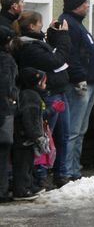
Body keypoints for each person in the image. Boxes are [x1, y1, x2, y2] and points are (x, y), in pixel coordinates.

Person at [12, 12, 72, 186]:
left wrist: (52, 33)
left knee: (63, 136)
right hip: (48, 94)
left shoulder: (37, 42)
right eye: (40, 23)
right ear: (31, 26)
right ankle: (41, 175)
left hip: (58, 91)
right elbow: (56, 60)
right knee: (44, 137)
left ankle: (61, 174)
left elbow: (52, 52)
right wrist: (64, 36)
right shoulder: (28, 47)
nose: (41, 26)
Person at [58, 0, 94, 182]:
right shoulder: (68, 24)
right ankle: (67, 170)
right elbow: (71, 54)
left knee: (80, 129)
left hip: (88, 81)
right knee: (73, 130)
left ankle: (74, 168)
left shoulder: (77, 24)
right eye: (85, 3)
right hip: (79, 83)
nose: (87, 6)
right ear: (76, 4)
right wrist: (78, 77)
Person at [12, 68, 46, 201]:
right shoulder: (30, 96)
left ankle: (28, 184)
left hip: (25, 136)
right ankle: (21, 190)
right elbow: (30, 119)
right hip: (24, 137)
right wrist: (37, 136)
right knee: (23, 163)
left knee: (27, 163)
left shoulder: (28, 94)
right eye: (42, 82)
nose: (45, 85)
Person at [0, 28, 19, 203]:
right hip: (3, 111)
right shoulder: (6, 60)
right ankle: (2, 191)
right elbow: (6, 86)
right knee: (3, 151)